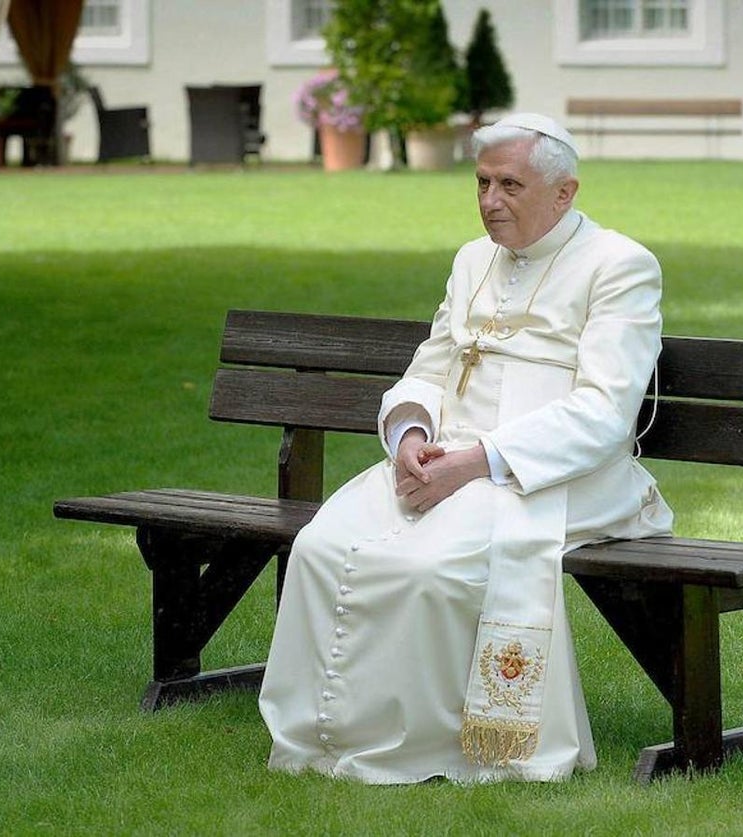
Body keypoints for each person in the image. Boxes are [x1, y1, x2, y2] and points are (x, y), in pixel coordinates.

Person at [258, 113, 673, 784]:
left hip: (554, 476)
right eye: (481, 182)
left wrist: (479, 461)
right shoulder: (472, 259)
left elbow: (605, 412)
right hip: (449, 460)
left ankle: (433, 745)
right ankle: (327, 736)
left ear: (564, 192)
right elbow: (431, 365)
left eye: (510, 184)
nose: (489, 200)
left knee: (428, 568)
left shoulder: (618, 265)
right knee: (320, 547)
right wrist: (412, 433)